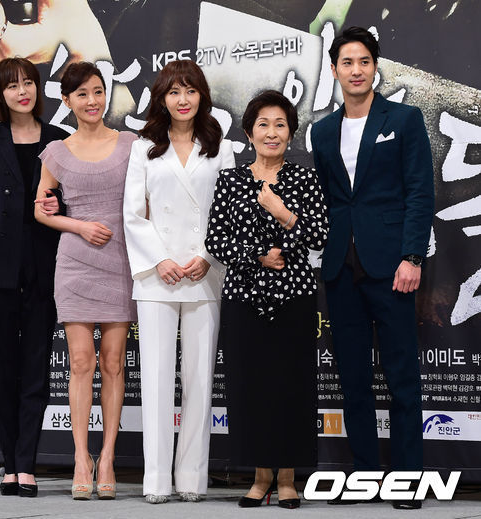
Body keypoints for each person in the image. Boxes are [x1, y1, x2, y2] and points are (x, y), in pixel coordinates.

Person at [310, 27, 434, 510]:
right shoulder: (322, 131)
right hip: (341, 268)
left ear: (375, 67)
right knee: (354, 380)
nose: (356, 70)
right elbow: (327, 201)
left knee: (402, 377)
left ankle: (407, 481)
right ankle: (363, 475)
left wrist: (412, 256)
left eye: (364, 61)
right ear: (334, 69)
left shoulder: (403, 119)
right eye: (347, 62)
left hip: (392, 265)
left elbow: (419, 191)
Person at [205, 90, 327, 509]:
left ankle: (288, 479)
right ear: (248, 133)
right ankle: (259, 478)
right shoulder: (231, 180)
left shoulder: (305, 179)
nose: (271, 132)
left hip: (294, 296)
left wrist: (282, 212)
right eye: (263, 125)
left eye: (280, 125)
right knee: (251, 385)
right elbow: (216, 240)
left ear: (291, 133)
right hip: (244, 297)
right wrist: (258, 255)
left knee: (291, 385)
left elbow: (319, 235)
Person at [123, 59, 235, 504]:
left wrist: (207, 256)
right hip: (158, 276)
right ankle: (155, 480)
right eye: (174, 91)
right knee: (154, 378)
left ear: (202, 95)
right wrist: (160, 259)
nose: (183, 99)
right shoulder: (143, 148)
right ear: (162, 98)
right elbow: (133, 213)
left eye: (190, 90)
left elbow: (228, 212)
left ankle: (191, 478)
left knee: (199, 380)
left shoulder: (220, 147)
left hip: (205, 273)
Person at [0, 57, 68, 497]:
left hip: (45, 262)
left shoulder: (59, 139)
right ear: (0, 94)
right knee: (4, 367)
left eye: (28, 82)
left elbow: (71, 202)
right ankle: (9, 464)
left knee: (36, 367)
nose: (22, 91)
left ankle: (27, 464)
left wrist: (59, 207)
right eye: (12, 85)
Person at [34, 61, 136, 500]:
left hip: (121, 261)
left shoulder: (131, 144)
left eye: (98, 91)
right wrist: (78, 225)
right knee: (80, 362)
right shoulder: (56, 152)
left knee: (113, 363)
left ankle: (107, 456)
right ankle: (81, 457)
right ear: (67, 101)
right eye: (82, 94)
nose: (92, 101)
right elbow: (41, 209)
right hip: (75, 263)